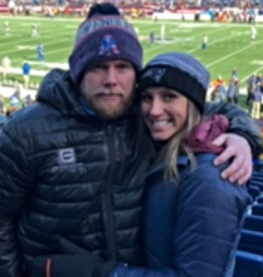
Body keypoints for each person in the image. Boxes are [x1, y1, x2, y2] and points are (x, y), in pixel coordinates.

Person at [0, 3, 261, 277]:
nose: (111, 79)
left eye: (122, 66)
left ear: (135, 75)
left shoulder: (145, 113)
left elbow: (203, 109)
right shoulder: (27, 131)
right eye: (98, 66)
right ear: (78, 72)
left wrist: (242, 134)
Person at [33, 53, 250, 276]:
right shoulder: (161, 149)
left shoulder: (211, 179)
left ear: (193, 105)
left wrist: (101, 273)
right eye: (147, 97)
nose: (154, 110)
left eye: (169, 97)